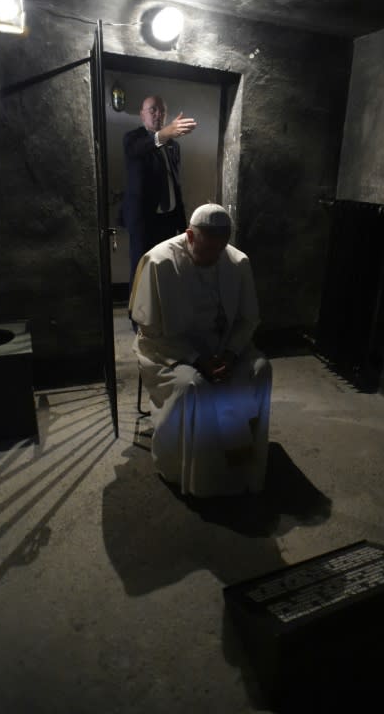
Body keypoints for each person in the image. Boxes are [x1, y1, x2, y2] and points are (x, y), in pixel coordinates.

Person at [129, 203, 272, 498]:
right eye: (207, 250)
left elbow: (248, 319)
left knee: (260, 369)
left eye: (219, 251)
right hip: (169, 350)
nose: (212, 258)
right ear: (189, 237)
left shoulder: (236, 262)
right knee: (194, 387)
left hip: (225, 349)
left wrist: (231, 354)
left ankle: (244, 465)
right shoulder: (159, 262)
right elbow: (151, 333)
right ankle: (195, 477)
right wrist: (198, 360)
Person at [122, 94, 197, 301]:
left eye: (162, 110)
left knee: (166, 266)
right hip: (143, 220)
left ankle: (162, 312)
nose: (158, 114)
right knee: (140, 269)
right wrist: (162, 135)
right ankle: (138, 321)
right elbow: (139, 150)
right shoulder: (132, 139)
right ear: (142, 115)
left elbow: (175, 182)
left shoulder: (174, 146)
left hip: (168, 217)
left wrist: (183, 223)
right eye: (153, 110)